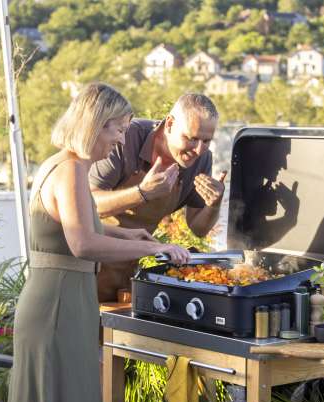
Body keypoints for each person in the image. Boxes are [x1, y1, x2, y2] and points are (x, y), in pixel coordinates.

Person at [0, 82, 189, 402]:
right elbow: (81, 244)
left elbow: (83, 228)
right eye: (116, 129)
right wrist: (153, 247)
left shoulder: (58, 165)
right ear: (94, 124)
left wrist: (132, 238)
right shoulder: (71, 170)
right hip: (59, 303)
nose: (120, 140)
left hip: (60, 298)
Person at [89, 93, 226, 301]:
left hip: (129, 270)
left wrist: (214, 205)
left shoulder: (201, 159)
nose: (199, 150)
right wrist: (142, 193)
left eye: (206, 141)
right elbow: (89, 204)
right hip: (88, 264)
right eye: (192, 138)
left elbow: (198, 228)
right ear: (169, 124)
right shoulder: (125, 139)